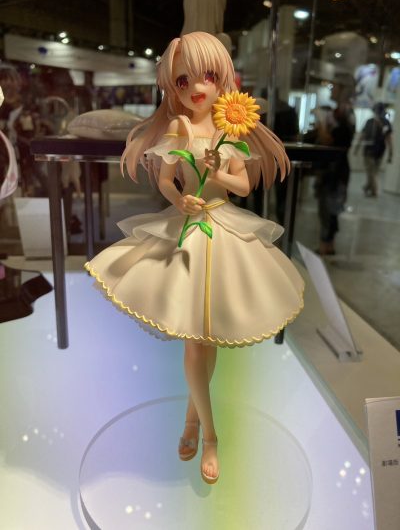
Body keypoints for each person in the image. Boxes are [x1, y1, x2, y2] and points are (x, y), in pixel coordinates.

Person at [84, 32, 304, 484]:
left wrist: (217, 169)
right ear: (172, 87)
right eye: (182, 81)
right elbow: (167, 181)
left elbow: (243, 186)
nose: (195, 88)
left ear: (223, 79)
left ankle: (191, 421)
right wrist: (180, 197)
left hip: (224, 229)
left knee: (209, 337)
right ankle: (210, 435)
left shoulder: (231, 130)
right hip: (187, 231)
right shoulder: (177, 129)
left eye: (206, 76)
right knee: (193, 342)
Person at [314, 105, 355, 255]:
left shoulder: (341, 130)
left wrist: (321, 124)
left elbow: (326, 140)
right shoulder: (345, 130)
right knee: (331, 212)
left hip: (333, 177)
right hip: (337, 175)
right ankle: (329, 245)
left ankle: (325, 245)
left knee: (328, 211)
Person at [355, 102, 393, 197]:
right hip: (376, 150)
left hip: (373, 151)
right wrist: (390, 153)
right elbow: (389, 139)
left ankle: (374, 190)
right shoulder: (377, 122)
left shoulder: (379, 122)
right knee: (373, 172)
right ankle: (368, 187)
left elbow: (388, 138)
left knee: (372, 172)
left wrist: (357, 147)